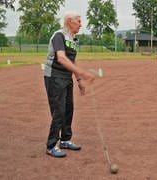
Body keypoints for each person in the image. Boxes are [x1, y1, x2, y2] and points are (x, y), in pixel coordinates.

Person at [43, 11, 95, 158]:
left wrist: (79, 80)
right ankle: (51, 145)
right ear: (69, 21)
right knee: (59, 110)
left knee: (69, 108)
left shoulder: (72, 39)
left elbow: (72, 61)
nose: (81, 24)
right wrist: (84, 74)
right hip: (54, 76)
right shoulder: (59, 35)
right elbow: (61, 58)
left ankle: (65, 140)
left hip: (66, 77)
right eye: (78, 21)